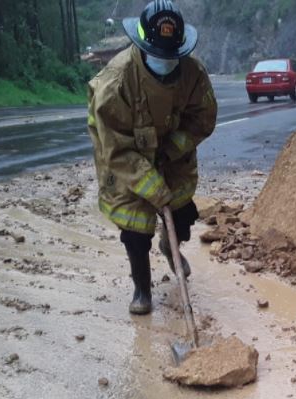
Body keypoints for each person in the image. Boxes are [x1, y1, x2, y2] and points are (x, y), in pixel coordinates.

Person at [87, 0, 217, 314]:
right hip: (125, 162)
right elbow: (115, 148)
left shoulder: (192, 72)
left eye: (171, 57)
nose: (166, 63)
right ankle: (142, 290)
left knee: (183, 217)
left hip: (172, 159)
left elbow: (204, 119)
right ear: (143, 45)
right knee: (135, 231)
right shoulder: (116, 82)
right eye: (159, 57)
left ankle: (170, 246)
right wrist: (153, 188)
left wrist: (171, 150)